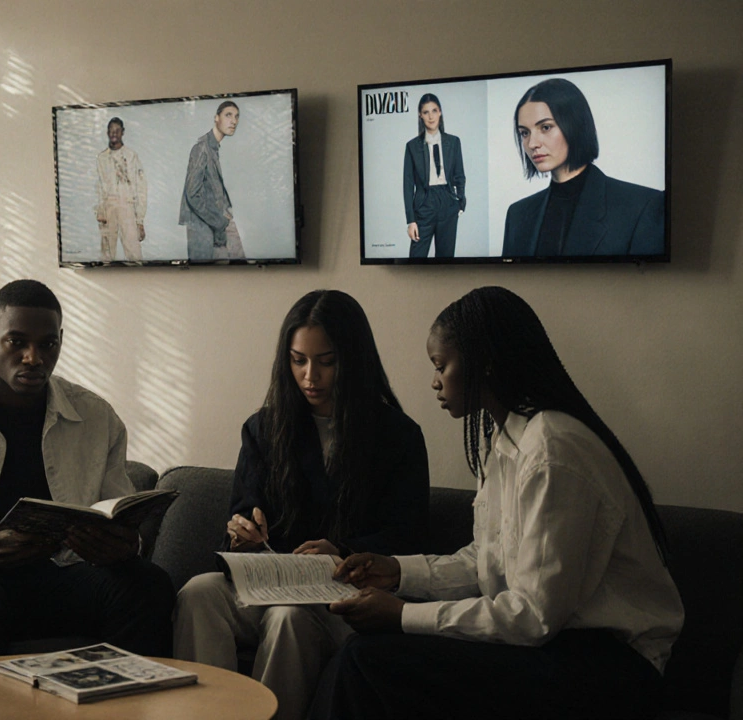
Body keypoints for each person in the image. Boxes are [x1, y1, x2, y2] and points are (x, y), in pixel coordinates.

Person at [312, 286, 684, 720]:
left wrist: (401, 616)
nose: (434, 380)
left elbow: (532, 616)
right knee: (367, 653)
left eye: (441, 365)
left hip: (613, 665)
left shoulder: (553, 449)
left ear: (483, 363)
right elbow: (484, 562)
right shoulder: (504, 438)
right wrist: (395, 571)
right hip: (559, 644)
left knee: (369, 658)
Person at [172, 290, 429, 720]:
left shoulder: (397, 436)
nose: (311, 376)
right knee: (197, 593)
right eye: (298, 360)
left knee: (289, 619)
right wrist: (243, 535)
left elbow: (408, 535)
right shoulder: (265, 428)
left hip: (343, 597)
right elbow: (241, 515)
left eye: (326, 361)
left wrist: (343, 552)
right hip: (270, 585)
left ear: (354, 359)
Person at [0, 279, 174, 657]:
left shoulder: (96, 417)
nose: (33, 358)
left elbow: (115, 512)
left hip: (60, 576)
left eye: (47, 344)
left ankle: (126, 706)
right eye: (17, 342)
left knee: (147, 582)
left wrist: (124, 544)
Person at [502, 78, 665, 257]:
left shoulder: (642, 206)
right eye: (524, 133)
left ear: (575, 125)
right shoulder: (518, 215)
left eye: (546, 127)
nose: (532, 143)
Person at [180, 100, 246, 261]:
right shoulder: (202, 149)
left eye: (236, 116)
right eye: (228, 115)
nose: (234, 121)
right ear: (216, 118)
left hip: (216, 221)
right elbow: (192, 194)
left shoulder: (213, 148)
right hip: (204, 226)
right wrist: (219, 222)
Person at [402, 93, 466, 258]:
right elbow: (408, 185)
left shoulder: (453, 142)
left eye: (434, 111)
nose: (431, 116)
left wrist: (460, 201)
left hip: (448, 201)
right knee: (416, 260)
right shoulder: (412, 147)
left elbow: (459, 174)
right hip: (424, 203)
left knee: (446, 262)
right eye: (426, 112)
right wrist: (411, 220)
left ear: (440, 112)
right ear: (420, 115)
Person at [94, 117, 147, 262]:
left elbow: (140, 187)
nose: (114, 134)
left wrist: (140, 220)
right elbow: (99, 186)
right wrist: (100, 210)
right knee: (106, 254)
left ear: (122, 132)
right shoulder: (101, 158)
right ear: (107, 133)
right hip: (108, 207)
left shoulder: (131, 156)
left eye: (117, 131)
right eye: (111, 131)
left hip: (127, 206)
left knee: (134, 254)